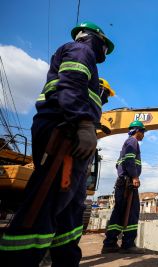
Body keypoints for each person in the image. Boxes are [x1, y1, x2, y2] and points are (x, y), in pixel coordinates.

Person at [0, 22, 114, 266]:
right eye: (105, 46)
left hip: (70, 133)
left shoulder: (84, 59)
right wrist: (84, 123)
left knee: (69, 209)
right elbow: (71, 85)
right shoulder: (81, 51)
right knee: (46, 202)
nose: (105, 52)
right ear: (96, 39)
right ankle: (19, 260)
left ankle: (65, 261)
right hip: (65, 132)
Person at [102, 121, 147, 254]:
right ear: (137, 131)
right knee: (132, 212)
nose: (143, 135)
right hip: (128, 183)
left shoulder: (125, 144)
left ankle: (110, 243)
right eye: (143, 131)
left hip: (122, 183)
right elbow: (129, 160)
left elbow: (118, 165)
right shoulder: (133, 142)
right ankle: (128, 244)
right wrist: (134, 176)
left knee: (119, 212)